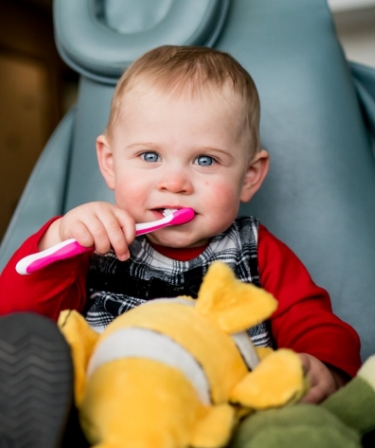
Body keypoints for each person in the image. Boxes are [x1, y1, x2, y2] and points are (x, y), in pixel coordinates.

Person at [0, 45, 361, 407]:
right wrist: (58, 239)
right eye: (150, 156)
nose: (175, 183)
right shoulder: (94, 243)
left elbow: (314, 323)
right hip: (110, 409)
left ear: (249, 177)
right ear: (110, 163)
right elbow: (16, 320)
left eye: (205, 160)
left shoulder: (257, 250)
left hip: (229, 412)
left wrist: (325, 366)